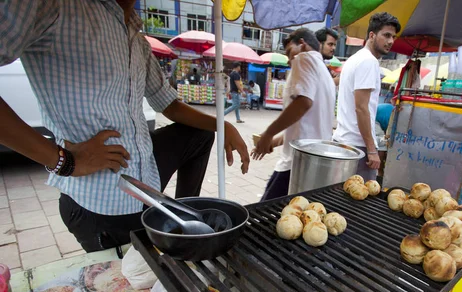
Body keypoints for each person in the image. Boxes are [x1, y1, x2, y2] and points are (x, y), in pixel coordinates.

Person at [0, 0, 250, 252]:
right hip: (98, 203)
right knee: (131, 282)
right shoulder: (56, 6)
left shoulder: (135, 36)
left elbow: (169, 105)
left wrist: (222, 125)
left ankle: (183, 216)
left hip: (145, 182)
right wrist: (61, 160)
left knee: (201, 134)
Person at [252, 28, 335, 200]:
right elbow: (304, 125)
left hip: (296, 162)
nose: (290, 60)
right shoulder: (324, 72)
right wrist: (273, 142)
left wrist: (269, 133)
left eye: (290, 52)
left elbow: (303, 103)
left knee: (263, 214)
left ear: (303, 44)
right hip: (313, 162)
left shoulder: (304, 59)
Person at [332, 12, 400, 182]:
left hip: (346, 141)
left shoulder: (355, 59)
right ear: (372, 35)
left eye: (393, 37)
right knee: (359, 200)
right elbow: (361, 108)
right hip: (358, 146)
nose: (391, 41)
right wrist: (371, 149)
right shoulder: (368, 61)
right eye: (386, 35)